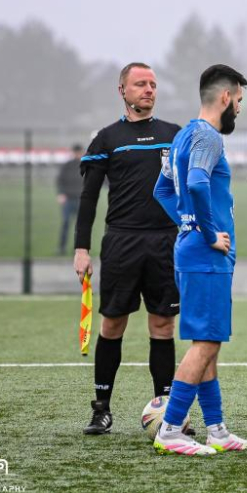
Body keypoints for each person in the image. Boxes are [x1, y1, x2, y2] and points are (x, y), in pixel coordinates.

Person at [151, 64, 247, 456]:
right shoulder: (208, 137)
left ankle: (216, 429)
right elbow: (194, 182)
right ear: (225, 97)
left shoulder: (181, 136)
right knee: (206, 344)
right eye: (239, 101)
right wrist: (208, 234)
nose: (239, 110)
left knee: (207, 342)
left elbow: (162, 189)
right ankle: (171, 429)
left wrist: (187, 223)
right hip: (205, 257)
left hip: (191, 253)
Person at [74, 62, 181, 435]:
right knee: (113, 323)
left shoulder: (175, 135)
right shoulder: (107, 138)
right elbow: (88, 200)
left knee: (163, 325)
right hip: (122, 241)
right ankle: (101, 409)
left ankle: (167, 410)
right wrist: (81, 248)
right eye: (140, 84)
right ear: (123, 90)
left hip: (167, 242)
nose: (148, 90)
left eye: (152, 84)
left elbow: (198, 184)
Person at [56, 143, 83, 255]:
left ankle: (78, 249)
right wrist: (61, 194)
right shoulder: (67, 165)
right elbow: (60, 180)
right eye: (76, 152)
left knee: (80, 226)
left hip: (81, 200)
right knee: (66, 223)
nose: (77, 154)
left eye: (79, 152)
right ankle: (61, 248)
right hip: (68, 199)